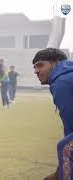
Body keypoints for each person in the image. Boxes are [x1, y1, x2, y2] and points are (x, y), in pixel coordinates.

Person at [32, 48, 73, 180]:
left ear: (55, 63)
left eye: (40, 65)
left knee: (65, 148)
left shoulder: (62, 82)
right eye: (35, 67)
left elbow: (71, 125)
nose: (36, 71)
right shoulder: (68, 75)